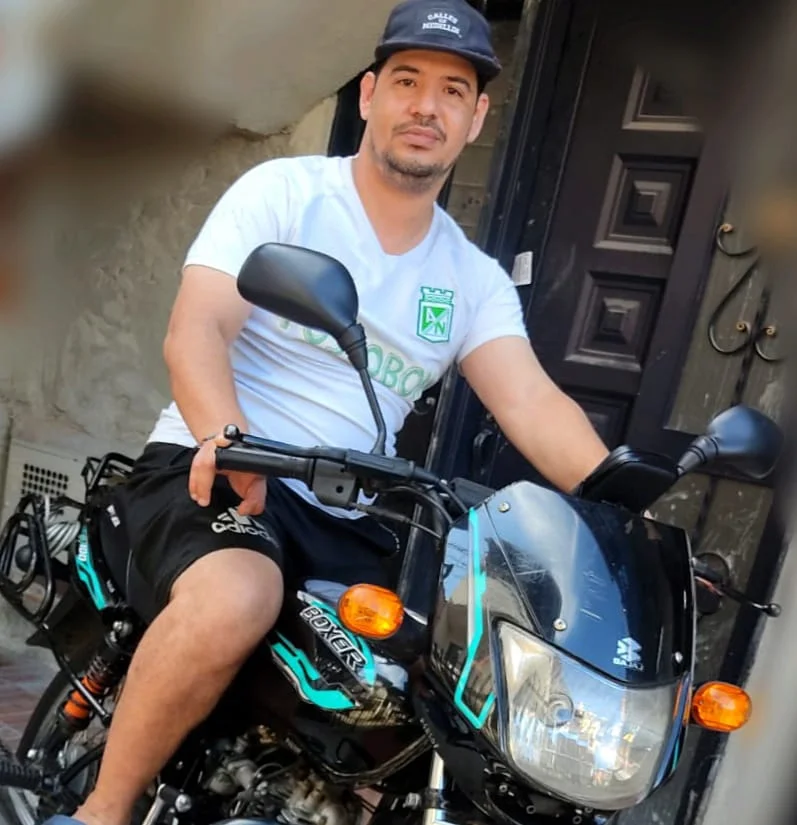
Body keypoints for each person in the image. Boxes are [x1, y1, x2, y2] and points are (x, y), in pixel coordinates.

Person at [47, 2, 610, 825]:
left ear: (476, 117)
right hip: (218, 467)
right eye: (407, 81)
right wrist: (228, 438)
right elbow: (196, 327)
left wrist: (623, 509)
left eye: (452, 91)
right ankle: (102, 809)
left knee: (445, 680)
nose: (426, 106)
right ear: (370, 94)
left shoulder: (471, 277)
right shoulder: (287, 194)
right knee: (236, 597)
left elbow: (530, 400)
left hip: (348, 509)